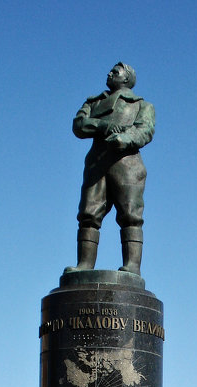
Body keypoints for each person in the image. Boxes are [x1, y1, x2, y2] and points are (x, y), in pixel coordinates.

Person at [66, 62, 155, 275]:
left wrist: (124, 138)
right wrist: (103, 125)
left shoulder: (142, 106)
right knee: (88, 214)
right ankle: (85, 264)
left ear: (127, 79)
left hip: (127, 166)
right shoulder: (94, 102)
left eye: (115, 72)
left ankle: (132, 267)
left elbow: (145, 130)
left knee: (131, 215)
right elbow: (79, 125)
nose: (109, 73)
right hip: (97, 164)